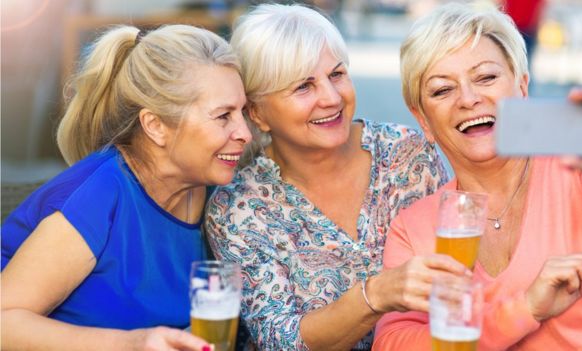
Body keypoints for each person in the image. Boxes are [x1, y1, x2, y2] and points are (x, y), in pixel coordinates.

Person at [373, 2, 582, 350]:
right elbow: (393, 343)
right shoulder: (415, 228)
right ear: (424, 121)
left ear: (522, 88)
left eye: (486, 77)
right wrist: (524, 309)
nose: (469, 98)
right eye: (443, 90)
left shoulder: (579, 170)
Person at [204, 4, 454, 351]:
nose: (332, 98)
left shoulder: (406, 153)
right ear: (257, 113)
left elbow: (459, 283)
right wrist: (376, 295)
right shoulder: (240, 206)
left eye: (336, 74)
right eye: (304, 86)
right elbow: (280, 342)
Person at [1, 24, 251, 351]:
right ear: (156, 126)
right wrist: (132, 344)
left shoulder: (208, 187)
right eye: (223, 116)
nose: (244, 133)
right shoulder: (98, 196)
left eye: (243, 112)